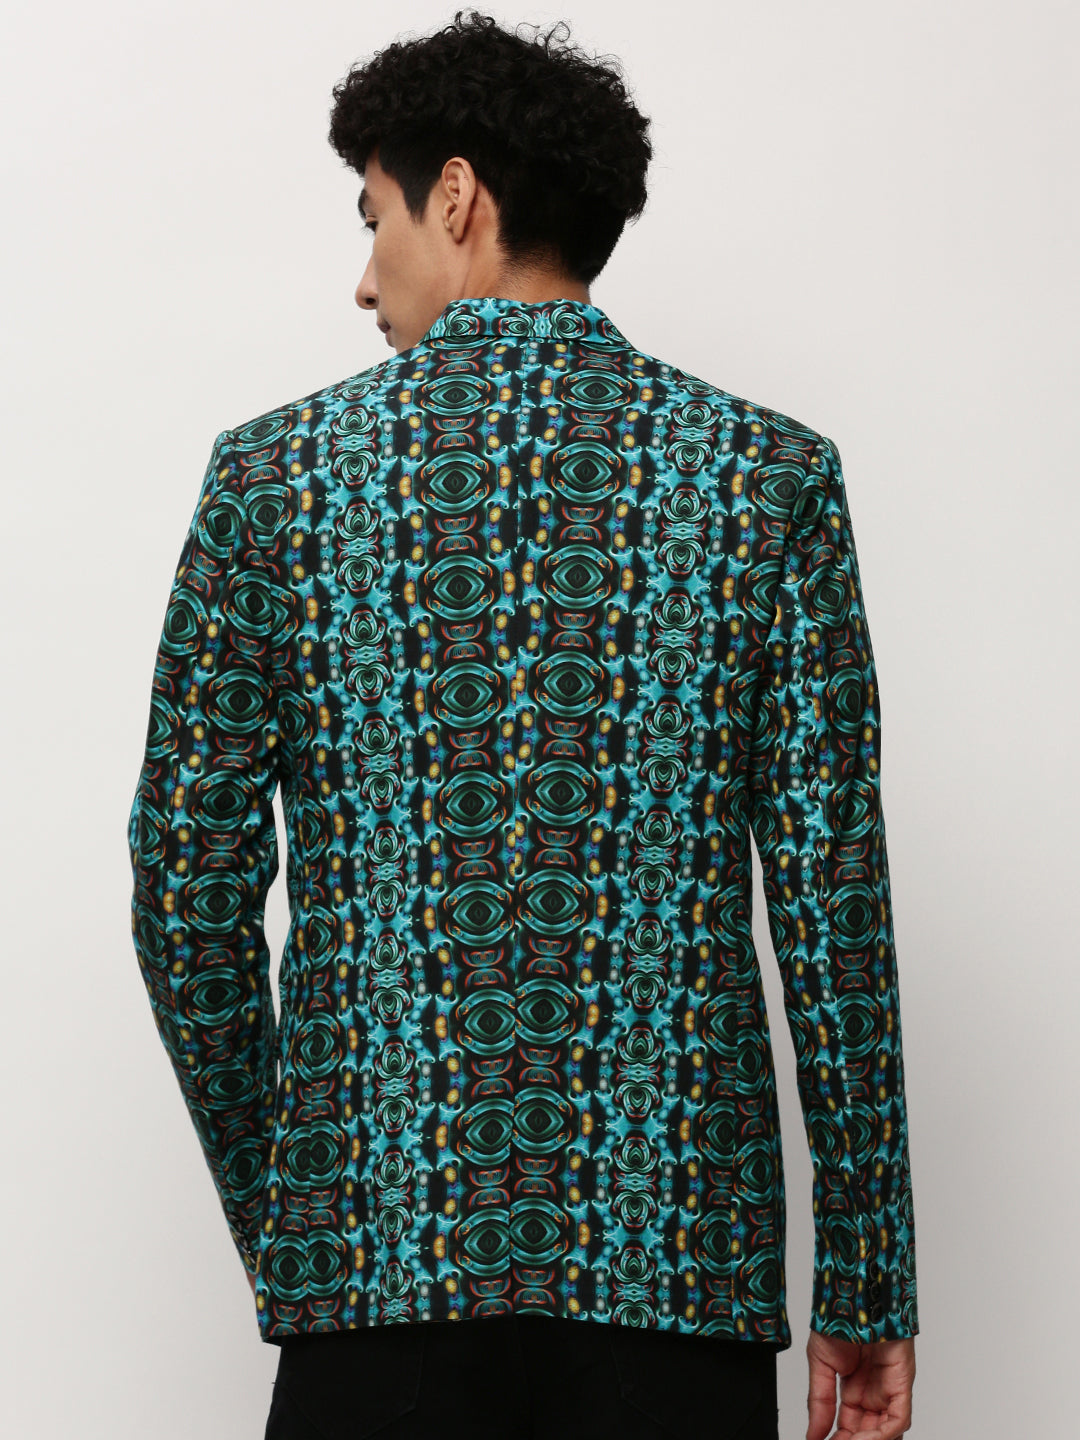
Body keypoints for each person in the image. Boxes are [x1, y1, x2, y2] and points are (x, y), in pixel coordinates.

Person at [126, 10, 918, 1439]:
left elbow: (185, 896)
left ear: (456, 197)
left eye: (373, 218)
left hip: (373, 1277)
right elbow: (834, 908)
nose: (363, 278)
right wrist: (866, 1278)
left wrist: (302, 1216)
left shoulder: (272, 482)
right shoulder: (770, 481)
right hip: (675, 1281)